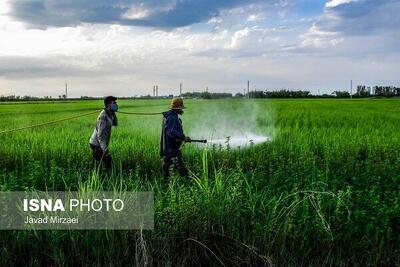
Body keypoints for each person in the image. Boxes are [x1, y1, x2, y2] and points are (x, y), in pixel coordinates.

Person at [160, 97, 191, 179]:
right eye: (180, 108)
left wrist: (182, 138)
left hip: (168, 148)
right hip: (172, 148)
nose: (181, 110)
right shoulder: (172, 118)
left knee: (167, 168)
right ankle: (188, 182)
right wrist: (183, 137)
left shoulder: (169, 116)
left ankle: (166, 184)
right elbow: (171, 132)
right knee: (181, 169)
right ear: (177, 108)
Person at [89, 96, 118, 171]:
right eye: (114, 103)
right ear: (108, 105)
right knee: (108, 161)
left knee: (101, 162)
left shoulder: (109, 113)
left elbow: (115, 123)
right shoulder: (103, 116)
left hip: (101, 143)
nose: (116, 105)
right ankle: (103, 176)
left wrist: (114, 112)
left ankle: (98, 173)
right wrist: (105, 150)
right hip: (96, 144)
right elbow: (100, 135)